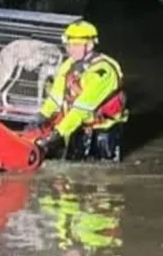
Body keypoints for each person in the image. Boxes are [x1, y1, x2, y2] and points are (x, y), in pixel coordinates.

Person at [30, 21, 128, 161]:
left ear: (89, 45)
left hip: (103, 132)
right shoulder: (69, 64)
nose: (69, 49)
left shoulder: (103, 72)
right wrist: (42, 115)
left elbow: (81, 109)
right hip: (77, 127)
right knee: (72, 168)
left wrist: (58, 133)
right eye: (68, 45)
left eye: (74, 45)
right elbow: (56, 96)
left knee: (103, 175)